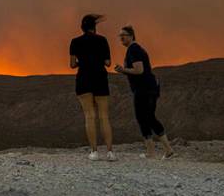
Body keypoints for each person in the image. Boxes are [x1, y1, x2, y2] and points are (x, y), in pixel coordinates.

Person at [114, 25, 174, 159]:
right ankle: (167, 149)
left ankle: (152, 152)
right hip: (150, 88)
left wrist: (123, 70)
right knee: (150, 117)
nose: (121, 38)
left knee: (143, 118)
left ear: (131, 36)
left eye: (124, 35)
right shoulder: (137, 49)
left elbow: (139, 70)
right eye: (120, 35)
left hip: (144, 89)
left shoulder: (133, 50)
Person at [69, 13, 115, 161]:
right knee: (104, 116)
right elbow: (108, 63)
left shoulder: (75, 42)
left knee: (89, 116)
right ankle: (110, 152)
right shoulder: (102, 40)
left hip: (83, 79)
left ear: (82, 27)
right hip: (100, 78)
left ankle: (94, 151)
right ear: (94, 27)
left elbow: (72, 64)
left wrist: (83, 62)